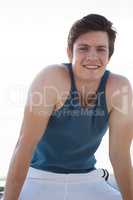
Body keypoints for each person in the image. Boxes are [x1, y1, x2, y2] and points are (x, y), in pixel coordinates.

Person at [3, 14, 133, 200]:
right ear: (70, 52)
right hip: (39, 176)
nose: (92, 56)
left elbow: (119, 153)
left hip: (87, 177)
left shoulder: (119, 87)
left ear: (109, 55)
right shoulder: (51, 78)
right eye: (83, 48)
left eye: (101, 49)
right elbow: (24, 145)